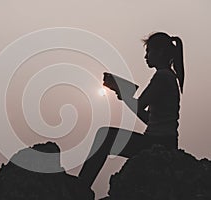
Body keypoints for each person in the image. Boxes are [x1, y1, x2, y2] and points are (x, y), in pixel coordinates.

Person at [78, 32, 185, 188]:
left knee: (105, 136)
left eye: (149, 51)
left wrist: (122, 92)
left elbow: (140, 104)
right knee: (106, 136)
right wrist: (124, 95)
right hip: (164, 141)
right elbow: (148, 118)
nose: (146, 56)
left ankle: (81, 186)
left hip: (157, 143)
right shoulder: (168, 77)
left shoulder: (162, 77)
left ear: (160, 52)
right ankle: (82, 185)